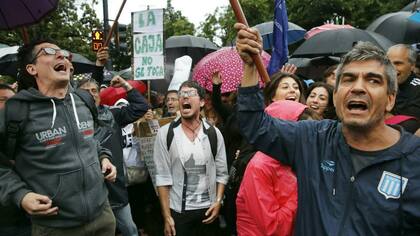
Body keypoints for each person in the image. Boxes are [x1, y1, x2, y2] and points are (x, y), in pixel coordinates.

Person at [235, 23, 420, 235]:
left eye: (372, 80)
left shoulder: (414, 160)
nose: (358, 87)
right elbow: (255, 125)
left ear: (390, 99)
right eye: (349, 79)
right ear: (336, 95)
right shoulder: (312, 139)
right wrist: (250, 66)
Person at [0, 39, 117, 236]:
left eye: (62, 52)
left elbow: (90, 140)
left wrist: (104, 158)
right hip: (55, 226)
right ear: (32, 69)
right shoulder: (15, 110)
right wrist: (21, 195)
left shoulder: (84, 100)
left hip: (103, 216)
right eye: (48, 52)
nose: (61, 55)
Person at [152, 81, 229, 236]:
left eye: (191, 94)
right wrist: (167, 216)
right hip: (179, 212)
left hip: (208, 211)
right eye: (182, 95)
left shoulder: (214, 134)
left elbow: (222, 174)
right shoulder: (166, 134)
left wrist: (218, 202)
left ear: (201, 102)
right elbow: (162, 178)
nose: (185, 97)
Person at [78, 75, 149, 236]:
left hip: (115, 189)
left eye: (94, 90)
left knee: (130, 230)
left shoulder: (112, 114)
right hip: (87, 192)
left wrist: (125, 85)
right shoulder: (72, 120)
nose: (91, 94)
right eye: (86, 91)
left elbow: (140, 107)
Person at [236, 100, 320, 236]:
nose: (312, 140)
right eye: (304, 133)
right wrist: (304, 190)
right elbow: (273, 227)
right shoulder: (260, 166)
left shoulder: (301, 159)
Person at [0, 84, 32, 236]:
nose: (9, 106)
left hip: (30, 215)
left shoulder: (24, 131)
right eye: (3, 99)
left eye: (13, 101)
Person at [387, 44, 420, 118]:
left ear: (412, 65)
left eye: (398, 63)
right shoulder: (383, 84)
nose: (391, 68)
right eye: (388, 63)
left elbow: (409, 125)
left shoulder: (417, 91)